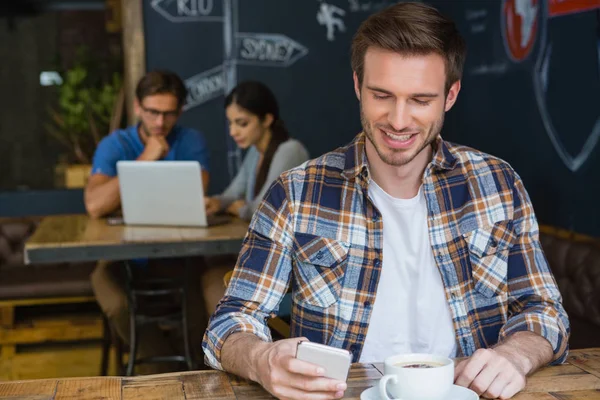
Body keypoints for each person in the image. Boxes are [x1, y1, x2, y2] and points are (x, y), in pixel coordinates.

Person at [202, 3, 570, 400]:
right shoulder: (296, 192)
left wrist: (516, 354)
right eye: (382, 95)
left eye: (420, 100)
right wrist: (260, 358)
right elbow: (229, 322)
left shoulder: (497, 184)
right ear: (358, 85)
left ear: (451, 95)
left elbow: (545, 311)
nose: (398, 120)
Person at [86, 70, 210, 372]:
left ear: (180, 111)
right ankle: (170, 375)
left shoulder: (191, 140)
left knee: (202, 310)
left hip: (179, 260)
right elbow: (94, 205)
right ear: (138, 107)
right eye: (152, 112)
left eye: (169, 114)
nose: (159, 122)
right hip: (121, 260)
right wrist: (145, 159)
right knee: (115, 303)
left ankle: (186, 368)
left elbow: (196, 194)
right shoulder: (115, 144)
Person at [201, 81, 310, 316]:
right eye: (230, 123)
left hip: (286, 271)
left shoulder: (289, 151)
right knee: (204, 272)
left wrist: (238, 209)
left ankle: (227, 347)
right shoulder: (255, 151)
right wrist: (218, 203)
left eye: (242, 123)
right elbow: (234, 193)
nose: (233, 132)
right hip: (260, 258)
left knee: (213, 279)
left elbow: (262, 209)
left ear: (267, 119)